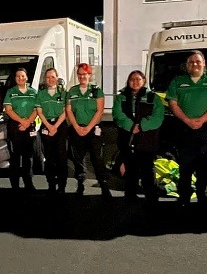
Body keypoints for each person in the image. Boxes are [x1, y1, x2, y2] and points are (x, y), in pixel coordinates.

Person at [165, 50, 207, 212]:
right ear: (186, 66)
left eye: (198, 61)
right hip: (184, 128)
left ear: (204, 64)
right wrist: (187, 120)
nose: (195, 64)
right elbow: (173, 103)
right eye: (191, 62)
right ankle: (184, 196)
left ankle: (202, 195)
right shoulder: (178, 81)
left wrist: (202, 119)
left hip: (206, 128)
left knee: (206, 164)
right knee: (185, 165)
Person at [112, 70, 164, 202]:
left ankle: (151, 196)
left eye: (138, 79)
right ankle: (130, 195)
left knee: (147, 168)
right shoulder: (121, 97)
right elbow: (117, 114)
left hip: (147, 140)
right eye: (132, 79)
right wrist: (130, 126)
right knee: (130, 168)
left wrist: (141, 126)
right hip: (127, 139)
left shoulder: (153, 97)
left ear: (144, 81)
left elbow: (158, 117)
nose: (135, 82)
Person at [66, 62, 111, 198]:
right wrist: (77, 127)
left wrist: (88, 128)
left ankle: (104, 185)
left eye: (84, 74)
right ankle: (81, 184)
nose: (82, 77)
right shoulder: (72, 91)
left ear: (89, 74)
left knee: (97, 158)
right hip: (77, 128)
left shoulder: (97, 90)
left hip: (93, 129)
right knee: (78, 158)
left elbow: (99, 111)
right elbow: (69, 110)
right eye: (79, 74)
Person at [3, 67, 38, 191]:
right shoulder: (10, 92)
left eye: (22, 76)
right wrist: (22, 121)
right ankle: (15, 184)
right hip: (15, 126)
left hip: (29, 127)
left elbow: (37, 110)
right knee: (15, 156)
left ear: (26, 77)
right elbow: (8, 110)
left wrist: (28, 122)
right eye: (18, 76)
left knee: (28, 156)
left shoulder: (33, 92)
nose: (20, 78)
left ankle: (28, 182)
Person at [35, 68, 69, 196]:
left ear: (57, 78)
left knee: (61, 156)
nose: (50, 79)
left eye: (53, 77)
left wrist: (55, 127)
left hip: (60, 126)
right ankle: (51, 183)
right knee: (49, 157)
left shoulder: (63, 93)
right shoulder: (41, 94)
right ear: (45, 79)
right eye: (48, 77)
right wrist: (49, 126)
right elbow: (39, 112)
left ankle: (62, 184)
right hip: (46, 125)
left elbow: (66, 111)